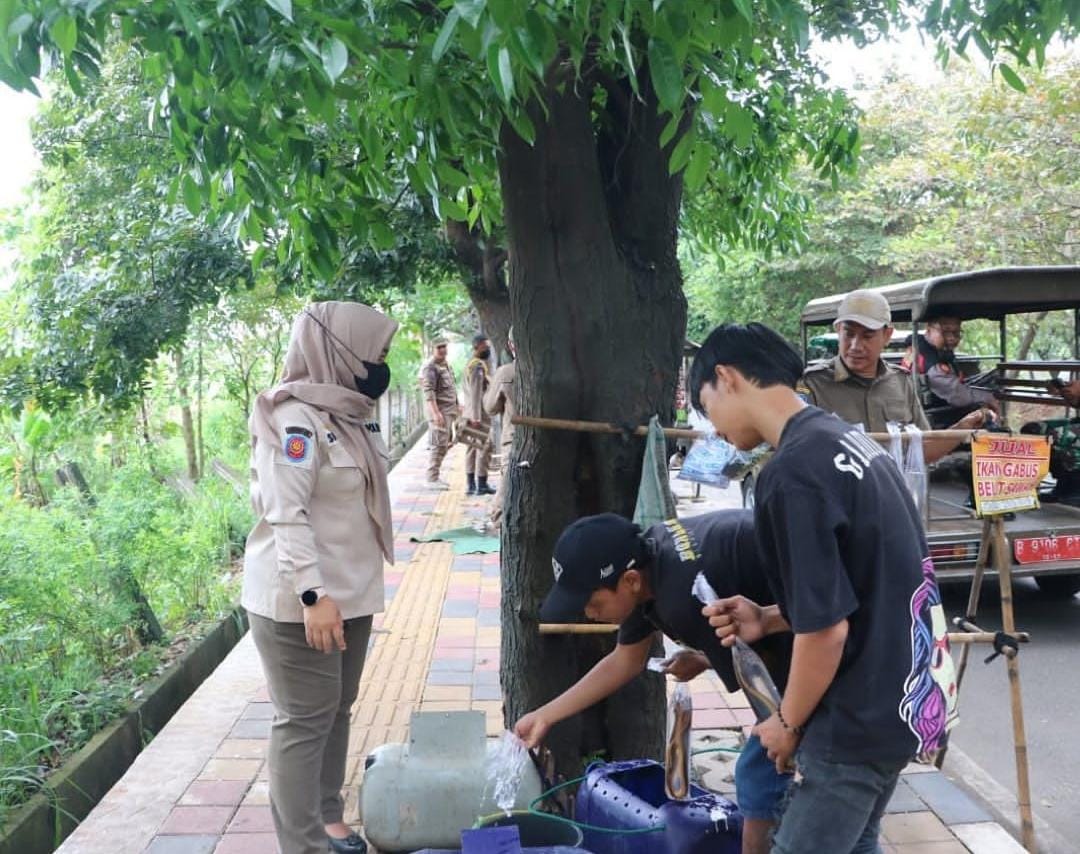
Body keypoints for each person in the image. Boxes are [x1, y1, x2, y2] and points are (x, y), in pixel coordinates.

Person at [689, 322, 958, 854]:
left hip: (855, 721)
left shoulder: (791, 472)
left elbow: (828, 630)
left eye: (705, 405)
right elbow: (863, 581)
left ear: (727, 378)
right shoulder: (846, 439)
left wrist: (786, 723)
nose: (712, 429)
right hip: (905, 702)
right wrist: (769, 617)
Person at [514, 511, 794, 854]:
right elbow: (625, 660)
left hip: (828, 640)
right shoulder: (647, 558)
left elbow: (764, 675)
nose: (587, 613)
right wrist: (545, 715)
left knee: (759, 773)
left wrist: (785, 727)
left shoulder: (682, 596)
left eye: (592, 602)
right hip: (801, 622)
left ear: (630, 580)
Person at [242, 301, 399, 854]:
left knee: (336, 709)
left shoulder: (349, 413)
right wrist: (314, 595)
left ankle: (328, 818)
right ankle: (303, 844)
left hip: (350, 595)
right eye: (374, 353)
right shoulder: (293, 421)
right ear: (339, 351)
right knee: (303, 720)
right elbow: (288, 513)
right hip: (301, 600)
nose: (381, 364)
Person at [800, 289, 989, 463]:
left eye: (867, 336)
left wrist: (963, 426)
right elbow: (798, 454)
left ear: (887, 335)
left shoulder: (901, 382)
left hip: (894, 495)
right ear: (838, 331)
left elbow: (922, 450)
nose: (856, 345)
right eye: (849, 334)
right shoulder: (812, 385)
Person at [907, 315, 999, 425]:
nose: (951, 338)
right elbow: (957, 396)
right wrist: (988, 397)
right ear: (929, 330)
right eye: (945, 332)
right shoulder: (930, 361)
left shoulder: (929, 350)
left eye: (956, 333)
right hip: (937, 420)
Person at [483, 327, 517, 528]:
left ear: (512, 345)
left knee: (505, 490)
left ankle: (499, 525)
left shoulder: (506, 372)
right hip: (551, 440)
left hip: (513, 441)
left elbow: (490, 408)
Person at [419, 338, 459, 489]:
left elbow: (451, 388)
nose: (443, 350)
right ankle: (431, 478)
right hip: (440, 412)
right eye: (439, 347)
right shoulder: (430, 367)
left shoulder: (445, 365)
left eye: (444, 346)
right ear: (433, 349)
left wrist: (457, 405)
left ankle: (435, 476)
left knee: (445, 443)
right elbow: (429, 392)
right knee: (438, 444)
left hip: (449, 411)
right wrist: (436, 413)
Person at [463, 334, 496, 496]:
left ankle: (471, 485)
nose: (488, 348)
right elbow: (476, 393)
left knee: (472, 448)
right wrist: (476, 416)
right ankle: (481, 484)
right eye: (485, 346)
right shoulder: (477, 366)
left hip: (470, 412)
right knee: (484, 447)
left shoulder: (471, 364)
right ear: (477, 346)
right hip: (478, 414)